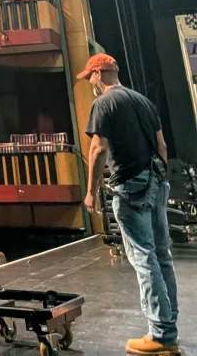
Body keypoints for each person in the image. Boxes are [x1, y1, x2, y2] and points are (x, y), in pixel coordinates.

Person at [81, 53, 178, 355]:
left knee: (144, 258)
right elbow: (161, 146)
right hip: (157, 182)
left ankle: (161, 336)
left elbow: (98, 149)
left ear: (98, 74)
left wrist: (91, 191)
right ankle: (169, 328)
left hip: (131, 186)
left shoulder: (104, 103)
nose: (91, 85)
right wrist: (159, 179)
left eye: (90, 78)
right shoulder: (143, 101)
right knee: (162, 256)